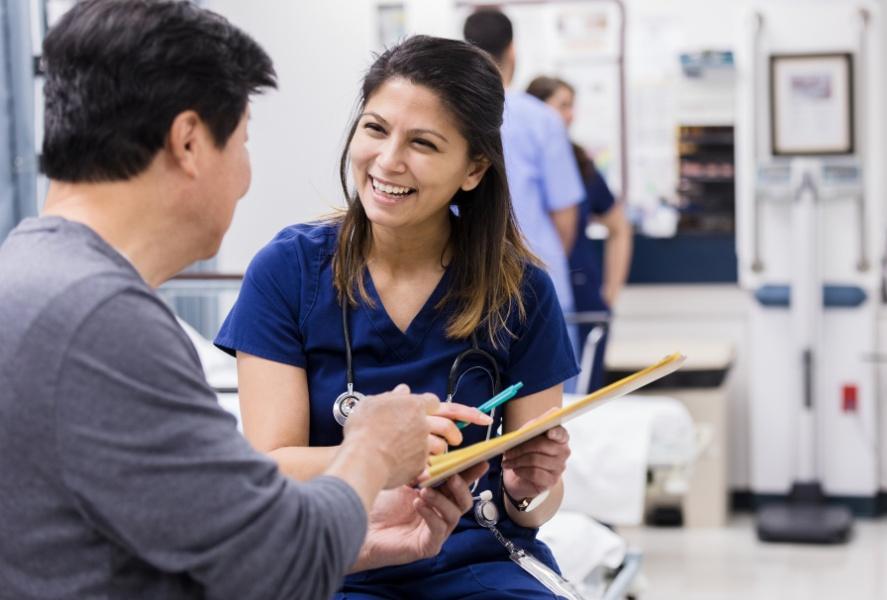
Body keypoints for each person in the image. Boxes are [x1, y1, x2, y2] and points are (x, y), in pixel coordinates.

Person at [0, 2, 462, 598]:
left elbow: (213, 546)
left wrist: (367, 545)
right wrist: (372, 447)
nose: (245, 179)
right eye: (241, 143)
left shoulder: (29, 274)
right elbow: (276, 563)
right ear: (189, 142)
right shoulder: (99, 320)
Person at [214, 35, 578, 598]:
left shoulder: (521, 291)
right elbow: (270, 471)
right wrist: (381, 452)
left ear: (474, 167)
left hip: (478, 560)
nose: (388, 161)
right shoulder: (289, 272)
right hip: (335, 558)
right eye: (375, 129)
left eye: (424, 143)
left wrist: (528, 488)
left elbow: (533, 511)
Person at [463, 9, 586, 337]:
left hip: (471, 288)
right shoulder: (542, 120)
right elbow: (565, 217)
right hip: (539, 284)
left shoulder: (456, 118)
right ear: (512, 50)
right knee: (559, 389)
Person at [526, 76, 633, 390]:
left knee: (586, 396)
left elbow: (619, 227)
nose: (570, 115)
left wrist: (610, 293)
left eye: (572, 106)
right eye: (562, 105)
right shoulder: (517, 160)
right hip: (539, 296)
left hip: (583, 299)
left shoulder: (580, 163)